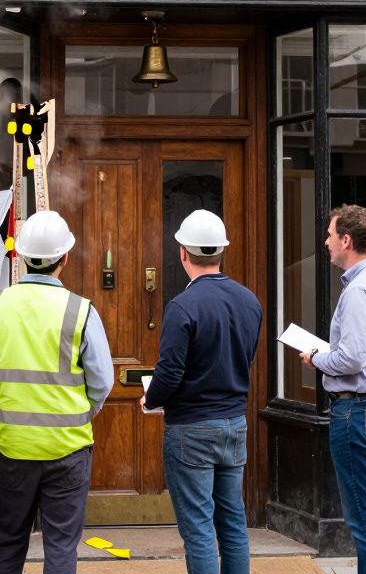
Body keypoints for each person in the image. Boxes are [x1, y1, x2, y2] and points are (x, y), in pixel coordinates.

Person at [0, 210, 114, 574]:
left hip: (12, 446)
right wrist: (81, 413)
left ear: (18, 255)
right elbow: (102, 381)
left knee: (9, 542)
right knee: (61, 547)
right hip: (67, 447)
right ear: (64, 258)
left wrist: (1, 412)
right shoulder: (80, 310)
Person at [142, 209, 262, 574]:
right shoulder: (249, 301)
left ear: (182, 252)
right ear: (220, 252)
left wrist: (152, 397)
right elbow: (246, 357)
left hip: (191, 429)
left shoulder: (182, 306)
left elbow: (170, 372)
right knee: (233, 525)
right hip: (234, 425)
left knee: (198, 530)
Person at [300, 204, 366, 574]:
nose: (326, 242)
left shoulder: (360, 290)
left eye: (329, 235)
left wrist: (317, 357)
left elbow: (353, 359)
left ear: (346, 239)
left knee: (363, 516)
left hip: (358, 410)